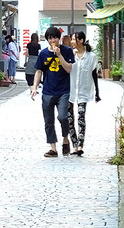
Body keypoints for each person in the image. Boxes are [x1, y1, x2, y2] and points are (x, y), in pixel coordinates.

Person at [30, 26, 75, 157]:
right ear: (47, 40)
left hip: (64, 90)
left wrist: (59, 55)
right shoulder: (43, 53)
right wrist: (34, 87)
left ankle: (65, 139)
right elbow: (38, 71)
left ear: (59, 38)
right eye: (50, 38)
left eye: (55, 37)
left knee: (63, 117)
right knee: (48, 121)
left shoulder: (67, 51)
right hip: (48, 91)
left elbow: (69, 69)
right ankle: (53, 148)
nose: (53, 40)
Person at [68, 31, 101, 156]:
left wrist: (97, 92)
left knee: (81, 117)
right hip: (70, 91)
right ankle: (74, 145)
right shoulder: (70, 55)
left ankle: (81, 144)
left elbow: (94, 74)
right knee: (69, 118)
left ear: (80, 40)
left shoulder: (91, 56)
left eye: (73, 39)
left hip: (83, 91)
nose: (72, 42)